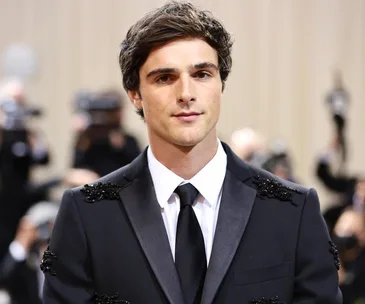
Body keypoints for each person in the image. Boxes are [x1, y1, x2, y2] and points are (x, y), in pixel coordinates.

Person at [42, 2, 342, 303]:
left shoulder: (293, 209)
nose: (186, 93)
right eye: (164, 78)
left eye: (201, 74)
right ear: (135, 95)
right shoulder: (86, 213)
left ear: (220, 84)